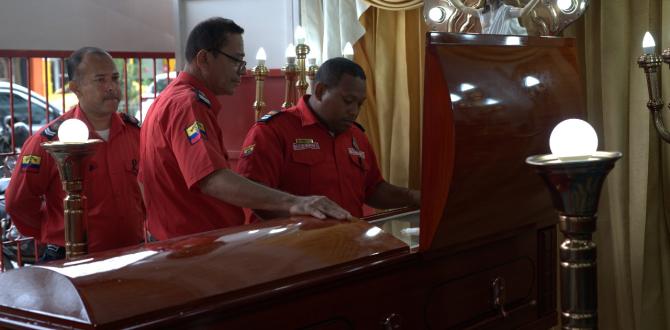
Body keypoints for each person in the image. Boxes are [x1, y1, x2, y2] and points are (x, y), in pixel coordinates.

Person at [139, 17, 350, 241]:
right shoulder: (187, 104)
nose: (242, 70)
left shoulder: (169, 99)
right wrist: (296, 202)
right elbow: (212, 179)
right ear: (204, 58)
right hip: (194, 246)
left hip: (182, 241)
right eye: (236, 60)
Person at [236, 57, 420, 221]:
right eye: (348, 101)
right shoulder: (273, 131)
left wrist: (413, 197)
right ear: (320, 90)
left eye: (359, 104)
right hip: (291, 249)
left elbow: (373, 189)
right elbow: (253, 195)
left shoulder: (356, 135)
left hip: (349, 246)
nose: (354, 111)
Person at [5, 47, 145, 260]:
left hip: (131, 254)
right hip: (72, 258)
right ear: (75, 88)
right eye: (100, 80)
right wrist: (53, 230)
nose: (111, 87)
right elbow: (18, 201)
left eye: (115, 78)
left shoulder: (134, 133)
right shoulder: (51, 141)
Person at [449, 0, 541, 35]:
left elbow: (522, 12)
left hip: (502, 49)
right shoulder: (481, 12)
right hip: (486, 48)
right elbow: (462, 7)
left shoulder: (506, 11)